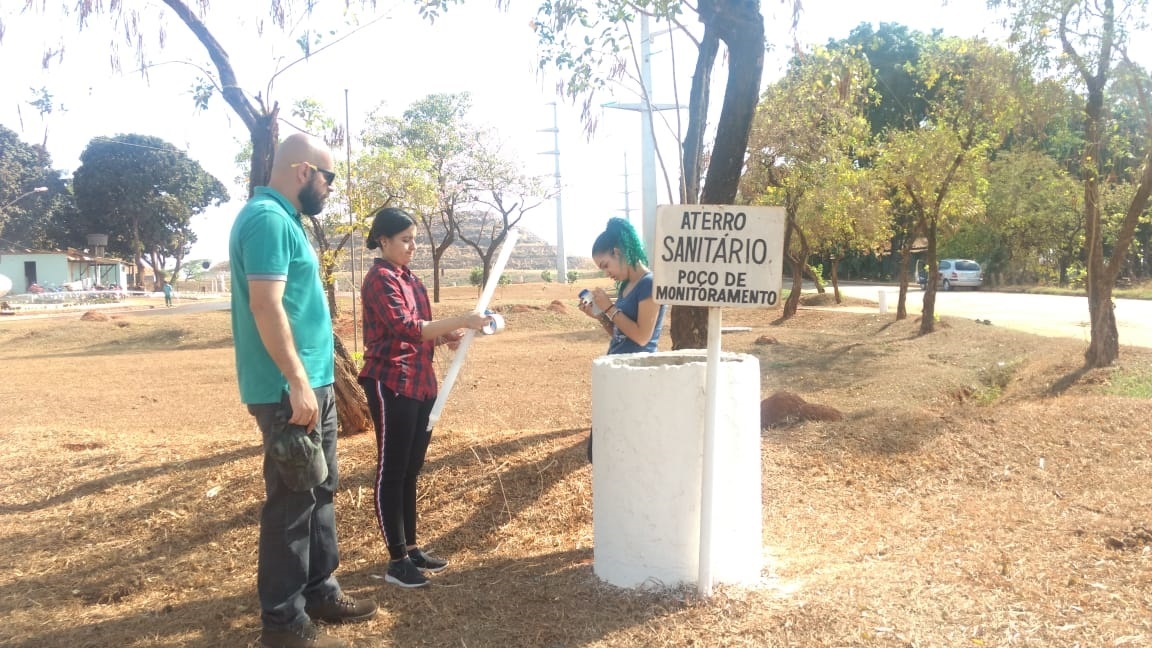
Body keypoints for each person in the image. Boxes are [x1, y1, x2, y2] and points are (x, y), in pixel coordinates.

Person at [229, 133, 377, 648]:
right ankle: (283, 623)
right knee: (293, 501)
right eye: (327, 176)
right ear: (301, 171)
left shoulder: (286, 219)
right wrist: (295, 382)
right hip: (286, 390)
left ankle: (319, 590)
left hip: (313, 384)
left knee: (321, 489)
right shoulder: (268, 220)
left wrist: (315, 380)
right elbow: (266, 307)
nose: (330, 187)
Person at [357, 206, 491, 589]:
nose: (412, 246)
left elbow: (420, 332)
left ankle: (411, 548)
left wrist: (447, 335)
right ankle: (396, 560)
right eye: (404, 240)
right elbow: (404, 326)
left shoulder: (410, 279)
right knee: (392, 470)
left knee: (411, 469)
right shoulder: (380, 278)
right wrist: (462, 320)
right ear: (382, 240)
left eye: (414, 239)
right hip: (391, 381)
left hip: (420, 382)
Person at [578, 217, 666, 462]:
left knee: (623, 448)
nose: (607, 274)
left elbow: (641, 336)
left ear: (618, 252)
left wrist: (609, 309)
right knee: (600, 450)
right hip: (616, 370)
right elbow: (621, 335)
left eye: (606, 265)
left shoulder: (650, 283)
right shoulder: (626, 285)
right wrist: (600, 316)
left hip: (636, 374)